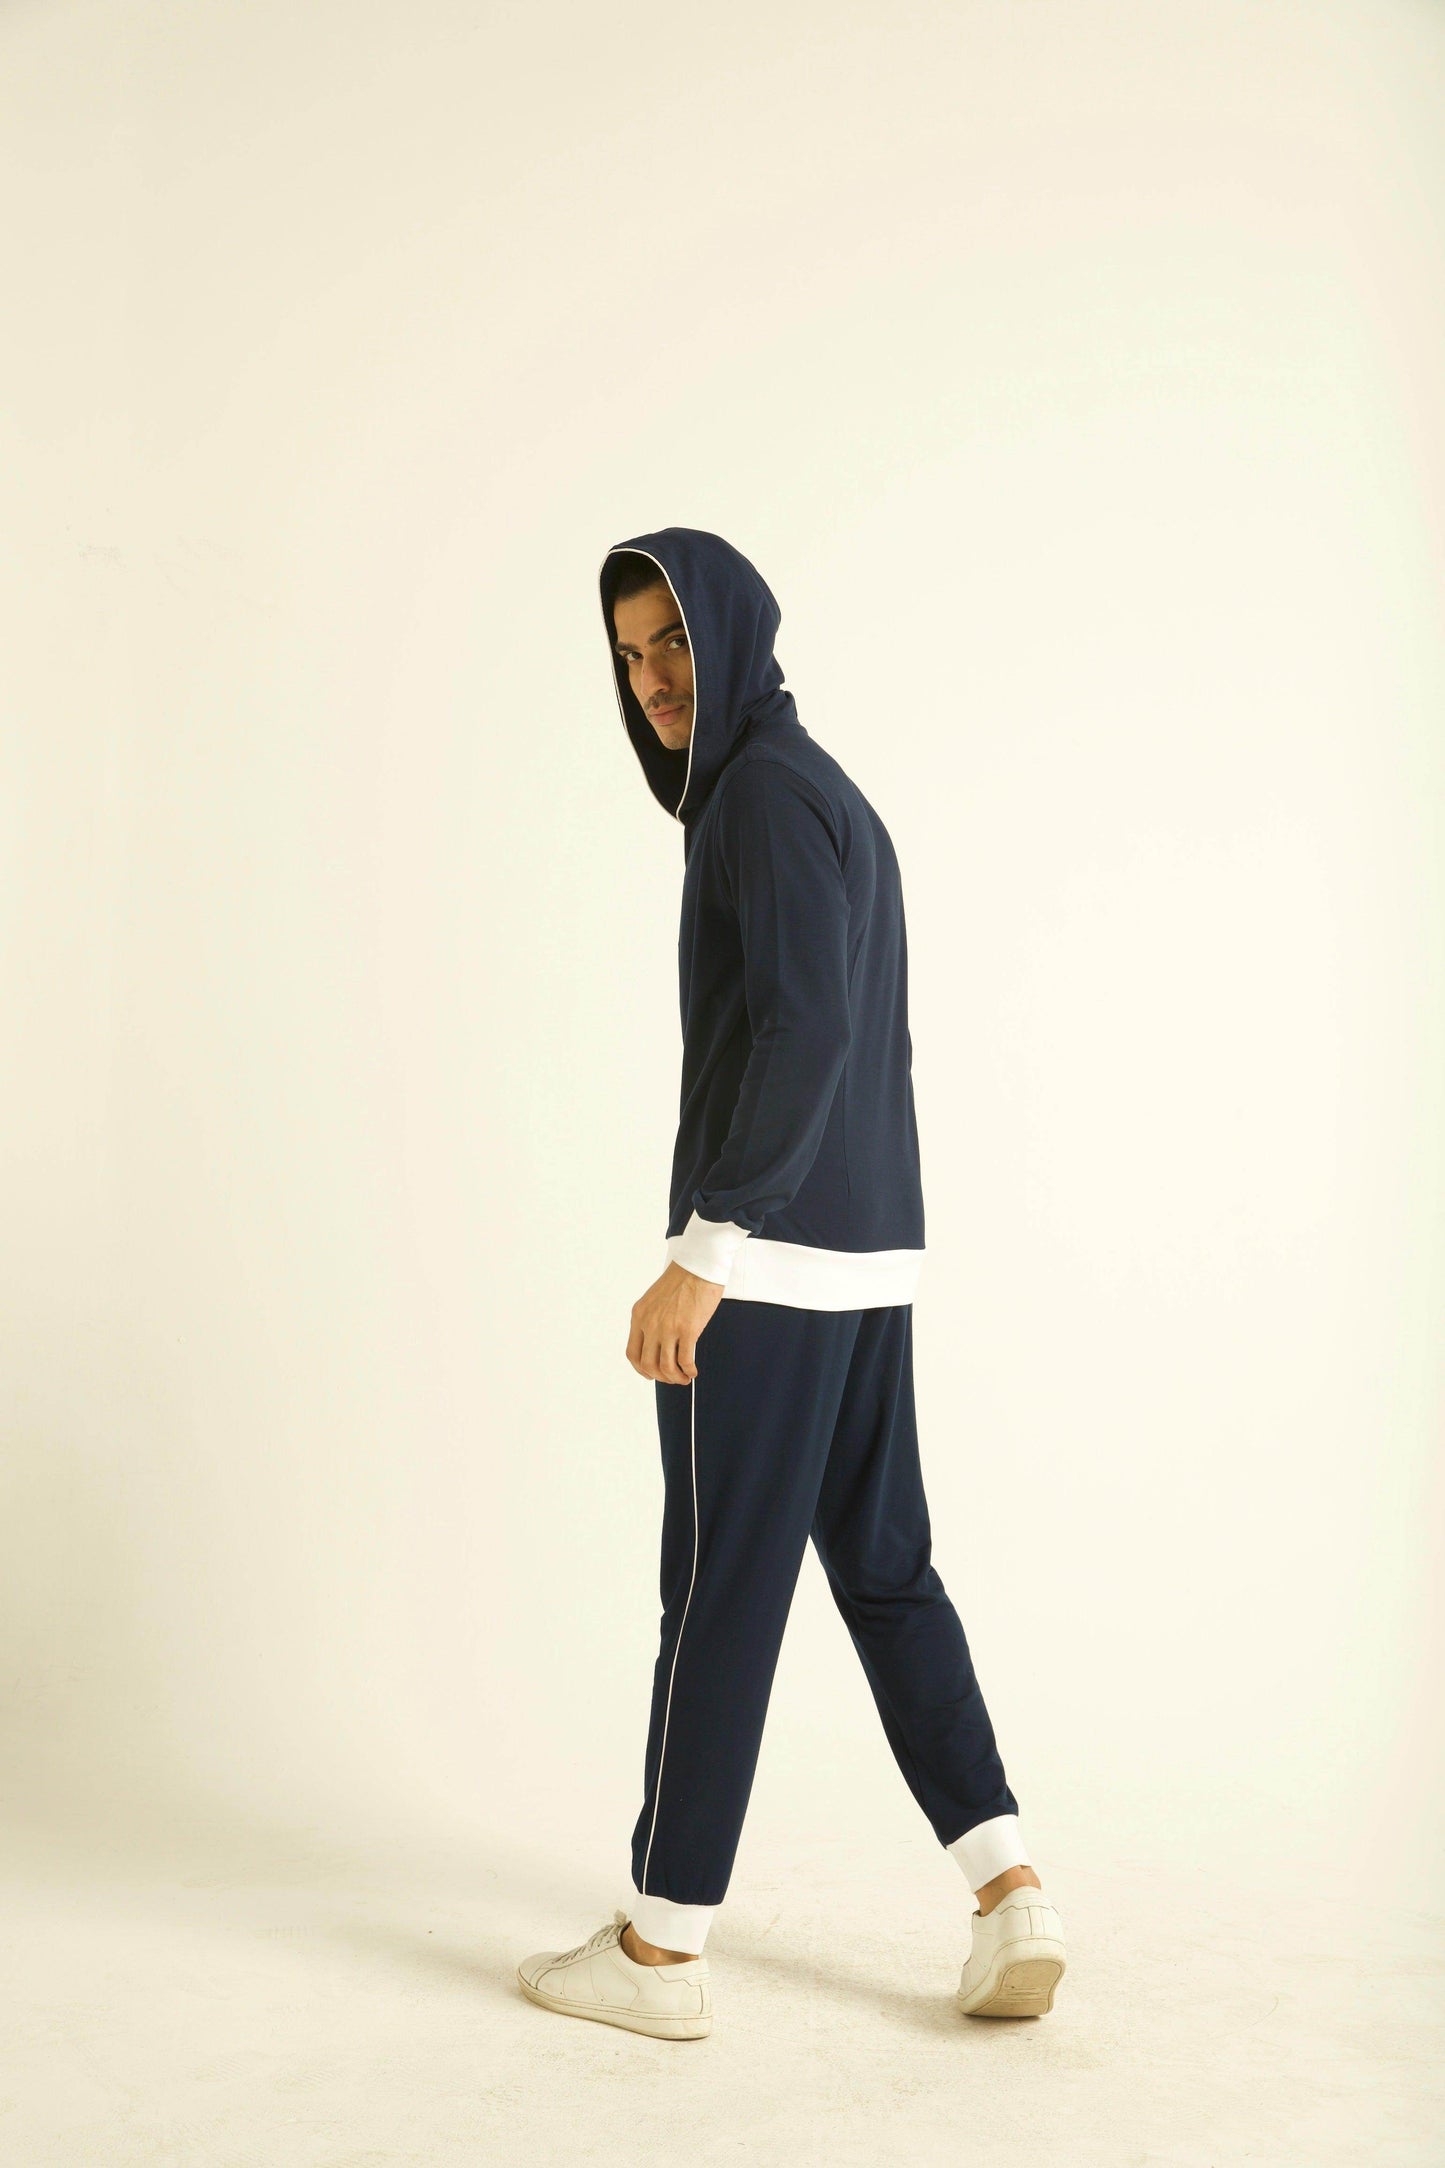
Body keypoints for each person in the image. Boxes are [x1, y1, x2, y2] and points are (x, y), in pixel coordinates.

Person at [516, 527, 1066, 2041]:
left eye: (674, 643)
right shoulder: (826, 790)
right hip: (867, 1250)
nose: (653, 680)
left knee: (719, 1593)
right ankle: (1009, 1890)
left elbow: (808, 1033)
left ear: (736, 634)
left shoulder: (760, 796)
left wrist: (706, 1252)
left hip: (768, 1263)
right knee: (883, 1573)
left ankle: (659, 1956)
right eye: (631, 656)